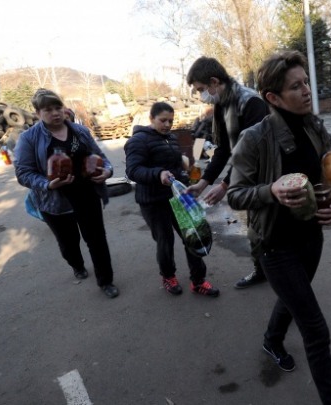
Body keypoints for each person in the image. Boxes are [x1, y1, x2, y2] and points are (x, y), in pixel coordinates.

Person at [227, 50, 331, 405]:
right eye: (295, 87)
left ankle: (271, 339)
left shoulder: (315, 126)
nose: (306, 91)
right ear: (272, 97)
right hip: (275, 245)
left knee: (293, 297)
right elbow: (235, 195)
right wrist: (272, 190)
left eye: (306, 83)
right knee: (315, 329)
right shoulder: (254, 138)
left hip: (311, 239)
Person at [14, 88, 119, 298]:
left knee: (97, 240)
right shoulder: (29, 138)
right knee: (69, 243)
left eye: (58, 107)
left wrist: (107, 170)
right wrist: (47, 184)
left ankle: (105, 281)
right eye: (48, 110)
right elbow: (23, 173)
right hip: (55, 201)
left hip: (87, 194)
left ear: (64, 108)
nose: (55, 113)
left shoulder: (80, 131)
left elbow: (99, 155)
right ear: (38, 114)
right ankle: (77, 264)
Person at [185, 56, 270, 289]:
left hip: (269, 176)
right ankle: (262, 270)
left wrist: (224, 186)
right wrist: (204, 182)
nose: (201, 94)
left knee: (270, 230)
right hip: (247, 178)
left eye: (202, 89)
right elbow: (223, 149)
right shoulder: (222, 104)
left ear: (214, 81)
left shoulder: (250, 103)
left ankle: (286, 277)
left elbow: (253, 153)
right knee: (255, 230)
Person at [124, 102, 219, 297]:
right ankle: (168, 276)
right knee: (165, 241)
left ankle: (198, 280)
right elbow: (133, 171)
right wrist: (158, 174)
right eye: (163, 120)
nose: (167, 125)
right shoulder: (138, 141)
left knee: (193, 235)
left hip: (179, 198)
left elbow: (177, 168)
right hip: (154, 201)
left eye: (170, 121)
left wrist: (189, 185)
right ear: (151, 119)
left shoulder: (172, 139)